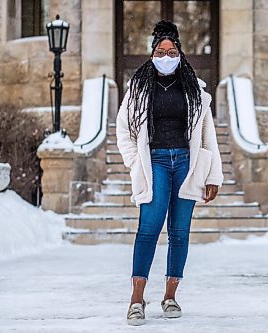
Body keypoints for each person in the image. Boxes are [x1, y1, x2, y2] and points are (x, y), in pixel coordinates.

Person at [116, 20, 224, 326]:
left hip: (187, 164)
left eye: (171, 50)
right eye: (161, 51)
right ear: (152, 54)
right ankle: (137, 300)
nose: (166, 55)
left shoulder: (195, 91)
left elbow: (207, 136)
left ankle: (170, 296)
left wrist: (213, 176)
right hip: (155, 163)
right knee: (149, 227)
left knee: (180, 231)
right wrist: (133, 163)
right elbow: (123, 129)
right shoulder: (138, 88)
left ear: (180, 54)